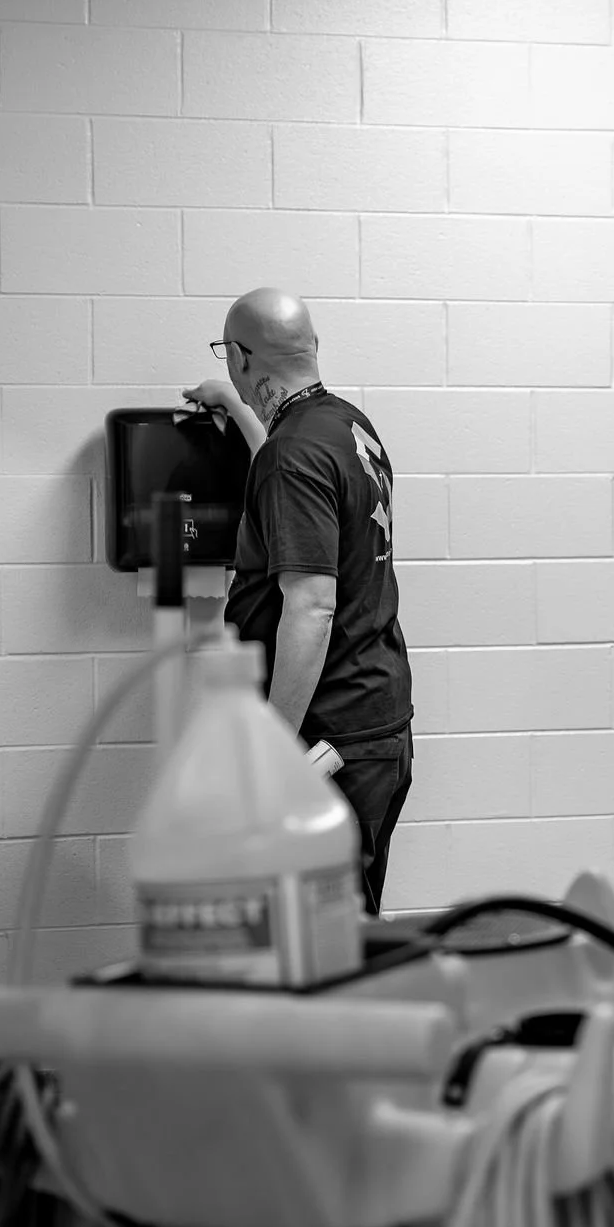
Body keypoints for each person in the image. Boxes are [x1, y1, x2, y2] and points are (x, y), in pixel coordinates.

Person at [185, 287, 415, 915]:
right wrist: (235, 406)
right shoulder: (344, 425)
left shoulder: (295, 453)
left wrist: (273, 753)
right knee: (343, 929)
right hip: (373, 722)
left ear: (241, 354)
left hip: (328, 734)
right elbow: (285, 485)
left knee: (324, 943)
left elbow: (311, 609)